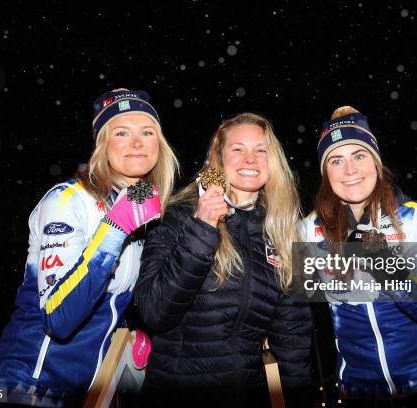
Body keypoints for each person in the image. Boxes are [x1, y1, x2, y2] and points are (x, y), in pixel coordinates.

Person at [0, 88, 179, 406]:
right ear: (103, 145)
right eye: (121, 132)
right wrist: (114, 230)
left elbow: (108, 296)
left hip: (83, 395)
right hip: (21, 387)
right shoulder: (69, 200)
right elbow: (59, 318)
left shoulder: (144, 211)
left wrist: (126, 335)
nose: (137, 143)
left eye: (147, 132)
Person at [133, 112, 312, 407]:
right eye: (237, 149)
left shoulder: (281, 231)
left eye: (260, 150)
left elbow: (293, 341)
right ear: (219, 157)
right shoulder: (178, 214)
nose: (250, 159)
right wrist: (203, 227)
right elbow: (154, 311)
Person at [299, 106, 417, 407]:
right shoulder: (308, 231)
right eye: (336, 160)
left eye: (359, 156)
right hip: (359, 392)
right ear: (326, 173)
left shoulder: (414, 218)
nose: (349, 170)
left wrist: (391, 272)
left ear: (376, 163)